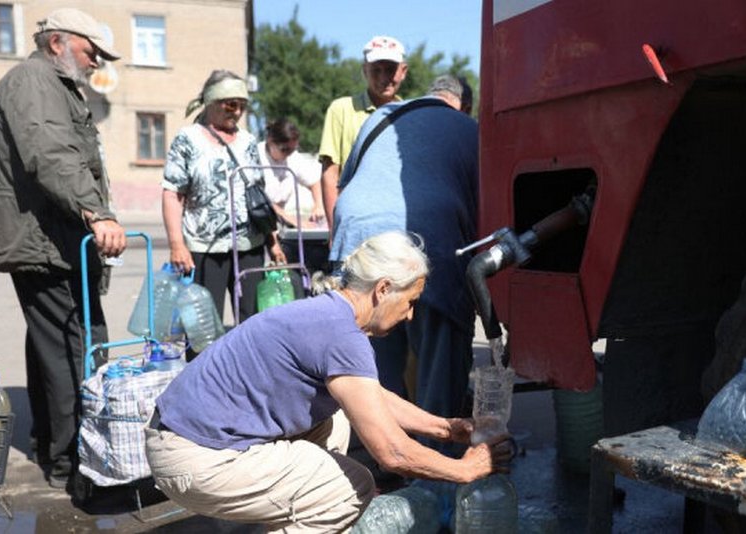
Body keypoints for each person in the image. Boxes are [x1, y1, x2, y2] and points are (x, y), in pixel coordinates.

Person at [145, 231, 511, 532]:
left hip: (179, 438)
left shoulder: (328, 313)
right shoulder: (342, 335)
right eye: (411, 301)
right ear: (384, 289)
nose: (411, 315)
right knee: (352, 487)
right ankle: (313, 508)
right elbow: (393, 453)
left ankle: (295, 510)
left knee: (336, 416)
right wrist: (465, 469)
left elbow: (370, 396)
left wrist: (446, 429)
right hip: (195, 458)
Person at [0, 8, 126, 489]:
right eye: (91, 52)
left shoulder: (51, 82)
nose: (95, 63)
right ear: (58, 43)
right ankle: (74, 465)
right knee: (74, 348)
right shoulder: (34, 81)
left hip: (54, 240)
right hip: (45, 241)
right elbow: (50, 153)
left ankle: (53, 446)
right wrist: (97, 211)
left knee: (54, 346)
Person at [329, 80, 479, 460]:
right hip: (431, 233)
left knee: (370, 359)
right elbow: (483, 212)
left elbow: (347, 183)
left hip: (359, 233)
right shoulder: (469, 130)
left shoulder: (381, 117)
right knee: (439, 355)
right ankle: (434, 463)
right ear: (464, 105)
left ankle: (374, 457)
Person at [162, 70, 285, 336]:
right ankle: (203, 377)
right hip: (204, 249)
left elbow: (259, 195)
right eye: (231, 104)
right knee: (203, 329)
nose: (237, 111)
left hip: (249, 246)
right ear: (211, 101)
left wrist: (273, 241)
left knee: (253, 324)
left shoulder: (248, 141)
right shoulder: (188, 139)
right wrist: (176, 245)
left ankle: (248, 377)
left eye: (243, 105)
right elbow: (173, 193)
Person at [319, 35, 408, 229]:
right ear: (364, 71)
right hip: (353, 222)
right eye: (376, 70)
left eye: (390, 70)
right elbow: (330, 172)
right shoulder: (341, 109)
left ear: (403, 71)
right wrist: (335, 228)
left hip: (396, 222)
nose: (384, 78)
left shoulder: (410, 114)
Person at [258, 118, 329, 289]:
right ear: (270, 142)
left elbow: (314, 181)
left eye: (293, 149)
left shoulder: (293, 158)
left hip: (281, 225)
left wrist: (318, 204)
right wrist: (293, 220)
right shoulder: (257, 156)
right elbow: (263, 200)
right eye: (285, 149)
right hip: (260, 223)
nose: (289, 154)